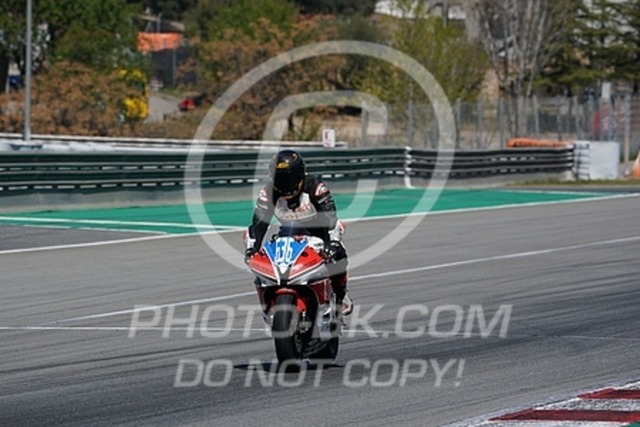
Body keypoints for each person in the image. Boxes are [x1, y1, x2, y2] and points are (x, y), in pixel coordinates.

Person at [243, 149, 353, 315]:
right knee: (263, 262)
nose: (284, 184)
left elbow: (330, 219)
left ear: (300, 175)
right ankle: (270, 301)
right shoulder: (268, 193)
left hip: (318, 234)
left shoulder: (316, 187)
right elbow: (258, 224)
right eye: (279, 178)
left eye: (288, 178)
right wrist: (252, 248)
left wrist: (333, 242)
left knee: (338, 253)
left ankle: (341, 294)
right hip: (288, 234)